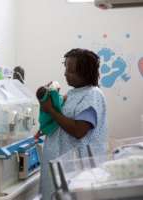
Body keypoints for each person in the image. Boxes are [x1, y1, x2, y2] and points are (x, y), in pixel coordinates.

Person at [38, 48, 107, 200]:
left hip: (75, 167)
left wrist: (51, 110)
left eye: (70, 71)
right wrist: (50, 99)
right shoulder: (72, 93)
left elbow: (78, 130)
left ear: (84, 73)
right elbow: (60, 118)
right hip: (59, 163)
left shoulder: (93, 95)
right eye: (65, 69)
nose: (65, 74)